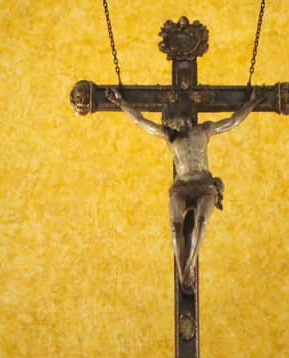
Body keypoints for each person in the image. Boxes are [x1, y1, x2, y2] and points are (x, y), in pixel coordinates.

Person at [106, 90, 256, 289]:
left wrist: (251, 103)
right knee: (175, 226)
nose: (170, 123)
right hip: (181, 187)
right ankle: (181, 270)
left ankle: (189, 267)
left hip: (204, 185)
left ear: (183, 115)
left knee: (202, 221)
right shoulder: (170, 136)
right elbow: (140, 121)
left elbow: (232, 121)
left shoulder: (204, 131)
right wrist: (121, 103)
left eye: (172, 119)